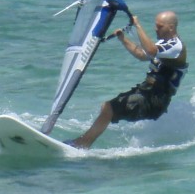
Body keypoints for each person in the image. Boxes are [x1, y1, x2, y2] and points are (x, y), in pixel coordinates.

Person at [69, 10, 188, 149]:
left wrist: (137, 25)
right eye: (156, 25)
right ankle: (84, 142)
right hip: (147, 93)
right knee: (106, 108)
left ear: (171, 27)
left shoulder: (176, 46)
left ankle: (83, 144)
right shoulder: (164, 43)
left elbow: (150, 51)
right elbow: (142, 55)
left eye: (160, 26)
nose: (156, 28)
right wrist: (123, 39)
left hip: (156, 99)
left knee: (109, 108)